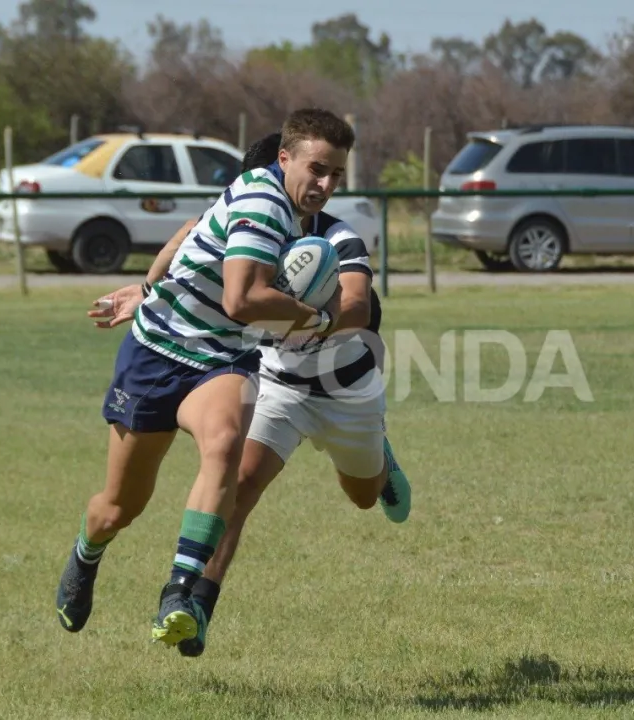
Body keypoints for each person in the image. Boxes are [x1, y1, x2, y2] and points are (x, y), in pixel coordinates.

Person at [87, 131, 410, 658]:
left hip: (345, 388)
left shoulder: (337, 238)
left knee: (364, 496)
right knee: (236, 485)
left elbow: (357, 309)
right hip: (279, 383)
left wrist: (313, 320)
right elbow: (188, 259)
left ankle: (381, 460)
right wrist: (146, 293)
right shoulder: (244, 223)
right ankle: (196, 608)